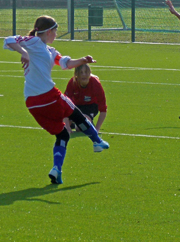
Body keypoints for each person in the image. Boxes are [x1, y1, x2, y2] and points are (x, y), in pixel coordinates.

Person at [3, 15, 110, 185]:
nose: (56, 34)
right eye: (56, 31)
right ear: (49, 31)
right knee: (75, 112)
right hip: (48, 95)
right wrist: (24, 53)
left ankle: (56, 170)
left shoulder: (50, 51)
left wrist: (83, 60)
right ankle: (96, 141)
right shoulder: (33, 41)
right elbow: (8, 40)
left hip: (32, 103)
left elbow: (66, 63)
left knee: (62, 134)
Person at [64, 64, 107, 132]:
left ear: (90, 73)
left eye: (86, 72)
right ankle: (72, 122)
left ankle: (81, 122)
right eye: (81, 72)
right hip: (76, 106)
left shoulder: (95, 83)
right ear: (76, 74)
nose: (84, 74)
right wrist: (67, 127)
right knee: (61, 124)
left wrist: (97, 129)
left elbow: (103, 109)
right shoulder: (72, 83)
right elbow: (64, 105)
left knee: (81, 127)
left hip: (90, 106)